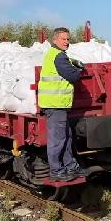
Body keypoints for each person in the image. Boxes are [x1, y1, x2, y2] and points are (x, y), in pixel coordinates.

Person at [38, 27, 86, 181]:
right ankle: (56, 170)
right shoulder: (59, 57)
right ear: (55, 40)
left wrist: (73, 62)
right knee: (58, 139)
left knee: (66, 136)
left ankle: (70, 167)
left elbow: (65, 63)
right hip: (55, 104)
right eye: (63, 39)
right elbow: (72, 76)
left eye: (68, 39)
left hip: (57, 104)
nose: (67, 42)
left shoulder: (55, 54)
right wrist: (81, 71)